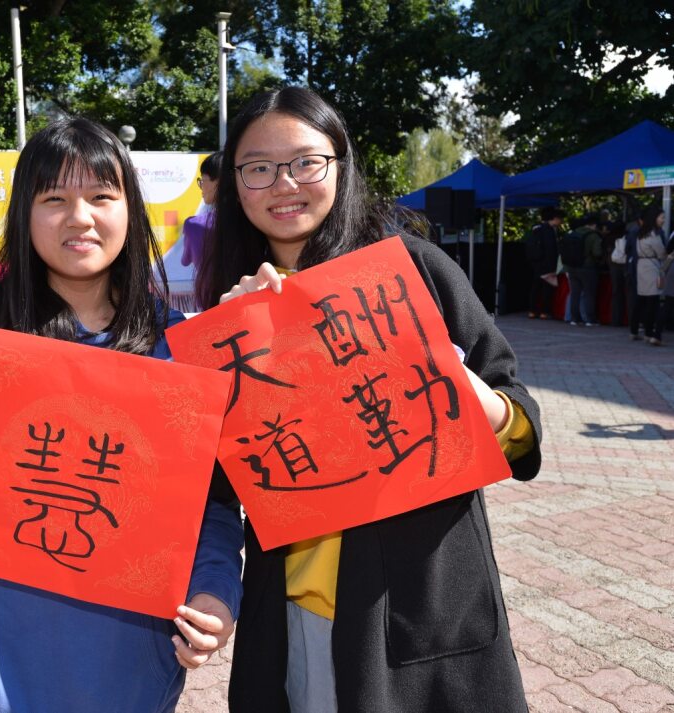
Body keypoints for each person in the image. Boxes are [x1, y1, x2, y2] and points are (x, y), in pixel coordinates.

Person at [0, 118, 243, 713]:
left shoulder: (177, 346)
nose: (80, 217)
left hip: (129, 670)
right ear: (24, 213)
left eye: (102, 196)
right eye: (55, 199)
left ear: (131, 211)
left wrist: (217, 591)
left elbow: (211, 507)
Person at [195, 88, 541, 713]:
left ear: (340, 164)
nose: (284, 183)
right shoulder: (229, 307)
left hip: (420, 603)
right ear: (235, 183)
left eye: (306, 161)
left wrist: (474, 397)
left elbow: (521, 426)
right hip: (298, 604)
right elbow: (222, 480)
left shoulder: (414, 273)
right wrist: (234, 360)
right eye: (258, 167)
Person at [180, 151, 223, 268]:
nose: (201, 186)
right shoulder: (255, 221)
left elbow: (185, 260)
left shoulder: (194, 225)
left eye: (203, 180)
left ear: (219, 183)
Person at [632, 204, 667, 345]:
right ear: (654, 218)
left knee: (642, 301)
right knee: (653, 303)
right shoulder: (654, 235)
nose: (663, 220)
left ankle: (636, 330)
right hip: (652, 268)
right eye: (662, 217)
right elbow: (662, 254)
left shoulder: (640, 233)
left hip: (642, 267)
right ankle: (649, 332)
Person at [562, 213, 603, 326]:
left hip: (571, 267)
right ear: (594, 225)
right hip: (587, 268)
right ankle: (590, 319)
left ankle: (574, 318)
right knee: (589, 294)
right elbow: (597, 252)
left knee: (575, 293)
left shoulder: (573, 233)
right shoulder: (593, 236)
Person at [524, 206, 563, 318]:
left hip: (536, 263)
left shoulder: (536, 228)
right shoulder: (549, 231)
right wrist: (553, 267)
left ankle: (532, 311)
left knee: (535, 288)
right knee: (546, 289)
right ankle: (544, 312)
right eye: (560, 219)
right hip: (546, 264)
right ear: (555, 218)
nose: (561, 222)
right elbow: (551, 250)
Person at [607, 220, 628, 327]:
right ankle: (629, 319)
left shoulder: (608, 238)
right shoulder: (627, 237)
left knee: (616, 293)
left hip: (613, 266)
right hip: (625, 265)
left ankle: (615, 319)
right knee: (628, 292)